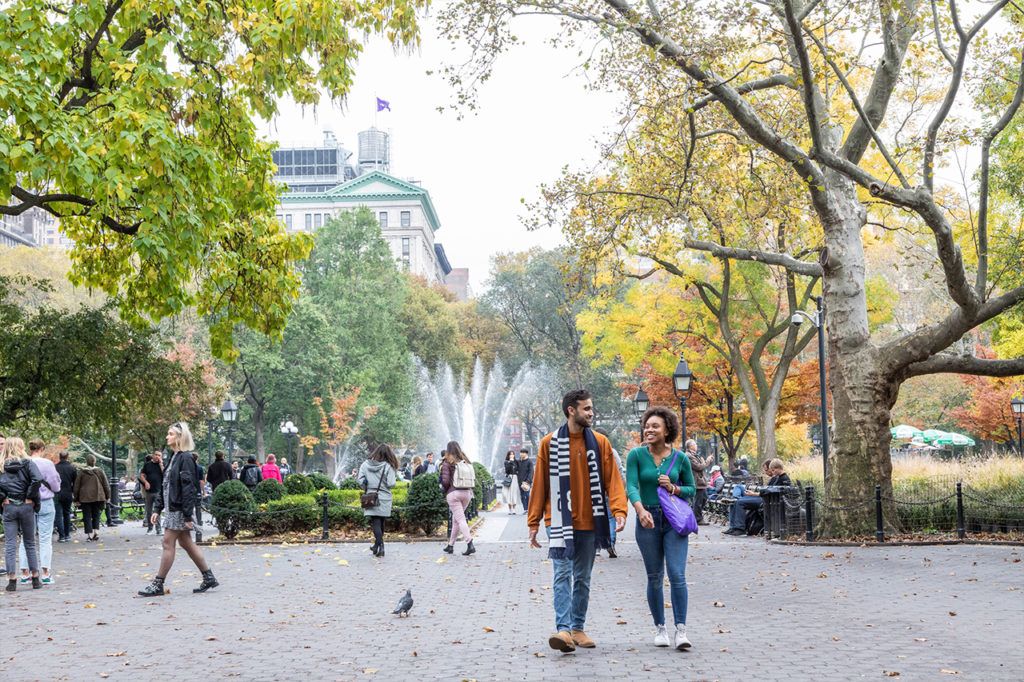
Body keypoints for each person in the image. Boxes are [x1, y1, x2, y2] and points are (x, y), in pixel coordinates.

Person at [527, 389, 628, 653]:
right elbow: (540, 485)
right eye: (586, 409)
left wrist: (619, 510)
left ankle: (577, 628)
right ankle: (562, 629)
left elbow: (612, 480)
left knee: (582, 577)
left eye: (591, 408)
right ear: (571, 410)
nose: (591, 413)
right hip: (558, 520)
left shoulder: (601, 443)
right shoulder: (549, 443)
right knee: (562, 574)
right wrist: (534, 522)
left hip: (590, 521)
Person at [627, 407, 696, 650]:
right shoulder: (636, 455)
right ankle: (660, 628)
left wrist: (674, 489)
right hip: (648, 519)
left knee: (677, 574)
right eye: (647, 425)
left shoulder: (681, 458)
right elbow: (631, 486)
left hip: (673, 522)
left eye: (655, 426)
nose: (649, 429)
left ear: (667, 429)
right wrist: (640, 510)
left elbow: (692, 489)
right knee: (655, 576)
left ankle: (681, 630)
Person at [138, 422, 219, 596]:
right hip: (174, 508)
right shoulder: (173, 458)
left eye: (171, 434)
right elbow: (166, 486)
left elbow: (188, 488)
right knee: (186, 542)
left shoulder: (186, 458)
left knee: (168, 542)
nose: (167, 437)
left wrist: (188, 516)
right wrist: (157, 509)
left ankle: (158, 584)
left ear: (180, 437)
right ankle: (208, 576)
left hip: (179, 510)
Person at [1, 437, 44, 591]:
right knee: (30, 543)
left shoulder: (1, 465)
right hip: (26, 506)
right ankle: (35, 578)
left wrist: (3, 498)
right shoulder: (28, 463)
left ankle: (12, 580)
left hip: (9, 507)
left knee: (10, 544)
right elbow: (38, 479)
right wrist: (29, 496)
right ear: (20, 447)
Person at [17, 440, 61, 585]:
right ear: (42, 448)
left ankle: (24, 573)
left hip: (27, 503)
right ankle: (46, 573)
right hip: (45, 502)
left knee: (26, 538)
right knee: (45, 538)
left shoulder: (23, 462)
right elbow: (55, 484)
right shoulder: (47, 464)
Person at [724, 458, 791, 536]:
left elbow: (770, 491)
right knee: (735, 501)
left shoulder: (784, 478)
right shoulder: (778, 477)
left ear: (778, 468)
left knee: (740, 502)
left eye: (773, 470)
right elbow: (769, 490)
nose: (772, 472)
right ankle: (733, 527)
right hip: (766, 499)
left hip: (767, 501)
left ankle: (739, 528)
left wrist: (754, 494)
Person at [358, 444, 398, 557]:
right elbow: (391, 484)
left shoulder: (365, 465)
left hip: (371, 497)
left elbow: (360, 481)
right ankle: (381, 546)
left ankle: (378, 545)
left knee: (376, 522)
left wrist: (367, 486)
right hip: (384, 497)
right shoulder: (388, 466)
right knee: (381, 522)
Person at [440, 441, 476, 555]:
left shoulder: (447, 462)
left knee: (460, 520)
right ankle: (450, 545)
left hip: (454, 493)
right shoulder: (465, 460)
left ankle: (470, 543)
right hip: (467, 493)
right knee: (457, 520)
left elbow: (445, 481)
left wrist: (445, 490)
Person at [73, 453, 110, 542]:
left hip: (85, 497)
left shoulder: (82, 472)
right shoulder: (99, 471)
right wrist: (108, 496)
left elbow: (76, 486)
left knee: (87, 516)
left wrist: (76, 498)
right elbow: (106, 484)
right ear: (94, 461)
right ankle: (96, 532)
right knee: (96, 514)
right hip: (98, 496)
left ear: (86, 462)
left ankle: (89, 535)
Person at [685, 439, 713, 526]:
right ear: (691, 446)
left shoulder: (694, 455)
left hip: (700, 482)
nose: (696, 446)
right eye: (695, 444)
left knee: (703, 498)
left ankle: (696, 517)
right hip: (697, 482)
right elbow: (699, 467)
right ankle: (697, 519)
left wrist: (703, 460)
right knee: (698, 501)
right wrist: (707, 461)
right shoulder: (689, 456)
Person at [140, 450, 164, 535]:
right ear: (153, 455)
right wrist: (145, 482)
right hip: (149, 491)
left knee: (157, 510)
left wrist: (161, 464)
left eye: (159, 455)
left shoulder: (162, 465)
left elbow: (165, 474)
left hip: (159, 491)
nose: (157, 456)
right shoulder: (147, 465)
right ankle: (150, 528)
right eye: (156, 455)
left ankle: (159, 529)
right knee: (149, 511)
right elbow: (142, 475)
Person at [54, 451, 77, 542]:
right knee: (67, 514)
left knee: (58, 515)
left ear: (59, 457)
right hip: (68, 493)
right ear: (67, 457)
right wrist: (73, 493)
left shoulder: (55, 467)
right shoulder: (72, 468)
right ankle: (67, 534)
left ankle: (61, 536)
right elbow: (75, 483)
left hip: (57, 493)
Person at [515, 448, 533, 513]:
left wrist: (528, 481)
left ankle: (528, 508)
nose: (521, 454)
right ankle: (525, 509)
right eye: (521, 452)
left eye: (523, 453)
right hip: (520, 481)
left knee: (527, 495)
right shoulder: (519, 461)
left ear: (526, 453)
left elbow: (531, 472)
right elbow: (516, 469)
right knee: (522, 496)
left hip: (527, 482)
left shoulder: (529, 462)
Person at [503, 450, 519, 515]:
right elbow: (507, 471)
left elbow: (518, 469)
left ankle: (514, 509)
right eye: (510, 454)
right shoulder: (506, 462)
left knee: (514, 493)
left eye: (513, 454)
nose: (512, 455)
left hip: (515, 478)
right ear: (508, 455)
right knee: (507, 494)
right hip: (509, 478)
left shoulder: (516, 462)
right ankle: (510, 509)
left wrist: (513, 462)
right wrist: (510, 462)